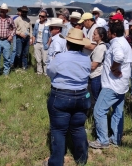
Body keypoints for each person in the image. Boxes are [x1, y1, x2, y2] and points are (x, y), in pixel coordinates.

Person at [45, 28, 91, 166]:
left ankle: (56, 162)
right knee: (78, 127)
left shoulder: (60, 57)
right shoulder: (87, 59)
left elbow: (50, 72)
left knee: (58, 130)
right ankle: (82, 158)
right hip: (82, 95)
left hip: (61, 95)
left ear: (68, 43)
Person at [90, 21, 132, 149]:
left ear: (112, 34)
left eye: (108, 31)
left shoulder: (116, 44)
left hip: (112, 85)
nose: (107, 33)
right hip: (122, 84)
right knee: (117, 112)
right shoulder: (124, 42)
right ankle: (116, 139)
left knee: (98, 111)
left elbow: (118, 57)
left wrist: (114, 68)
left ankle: (102, 140)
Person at [89, 27, 108, 105]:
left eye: (95, 34)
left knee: (96, 98)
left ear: (101, 36)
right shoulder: (98, 46)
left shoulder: (101, 48)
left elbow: (94, 66)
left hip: (96, 76)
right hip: (94, 75)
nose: (93, 36)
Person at [14, 6, 33, 70]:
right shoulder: (17, 20)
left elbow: (30, 30)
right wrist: (19, 33)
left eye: (25, 12)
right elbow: (13, 30)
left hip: (27, 38)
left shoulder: (28, 20)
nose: (24, 13)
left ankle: (25, 66)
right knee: (18, 53)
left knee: (25, 53)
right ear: (21, 12)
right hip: (19, 38)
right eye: (23, 12)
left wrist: (30, 38)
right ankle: (15, 65)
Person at [32, 10, 49, 75]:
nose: (40, 17)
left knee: (45, 60)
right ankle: (39, 72)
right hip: (37, 43)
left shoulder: (48, 25)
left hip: (44, 44)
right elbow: (34, 34)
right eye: (39, 16)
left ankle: (46, 73)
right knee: (38, 60)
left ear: (45, 17)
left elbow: (50, 36)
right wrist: (34, 43)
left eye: (42, 16)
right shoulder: (37, 24)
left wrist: (48, 44)